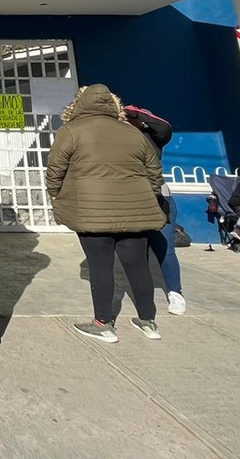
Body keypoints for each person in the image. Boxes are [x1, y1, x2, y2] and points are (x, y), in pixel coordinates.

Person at [46, 84, 166, 343]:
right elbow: (154, 172)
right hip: (135, 210)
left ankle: (103, 323)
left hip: (92, 212)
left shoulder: (71, 131)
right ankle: (148, 321)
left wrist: (57, 195)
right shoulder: (132, 133)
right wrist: (147, 194)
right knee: (138, 265)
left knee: (100, 266)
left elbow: (55, 169)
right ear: (114, 105)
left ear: (80, 103)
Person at [125, 103, 186, 316]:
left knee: (165, 248)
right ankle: (144, 299)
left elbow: (164, 127)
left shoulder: (152, 138)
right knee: (137, 252)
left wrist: (131, 112)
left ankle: (175, 293)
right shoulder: (118, 140)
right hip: (131, 201)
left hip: (159, 197)